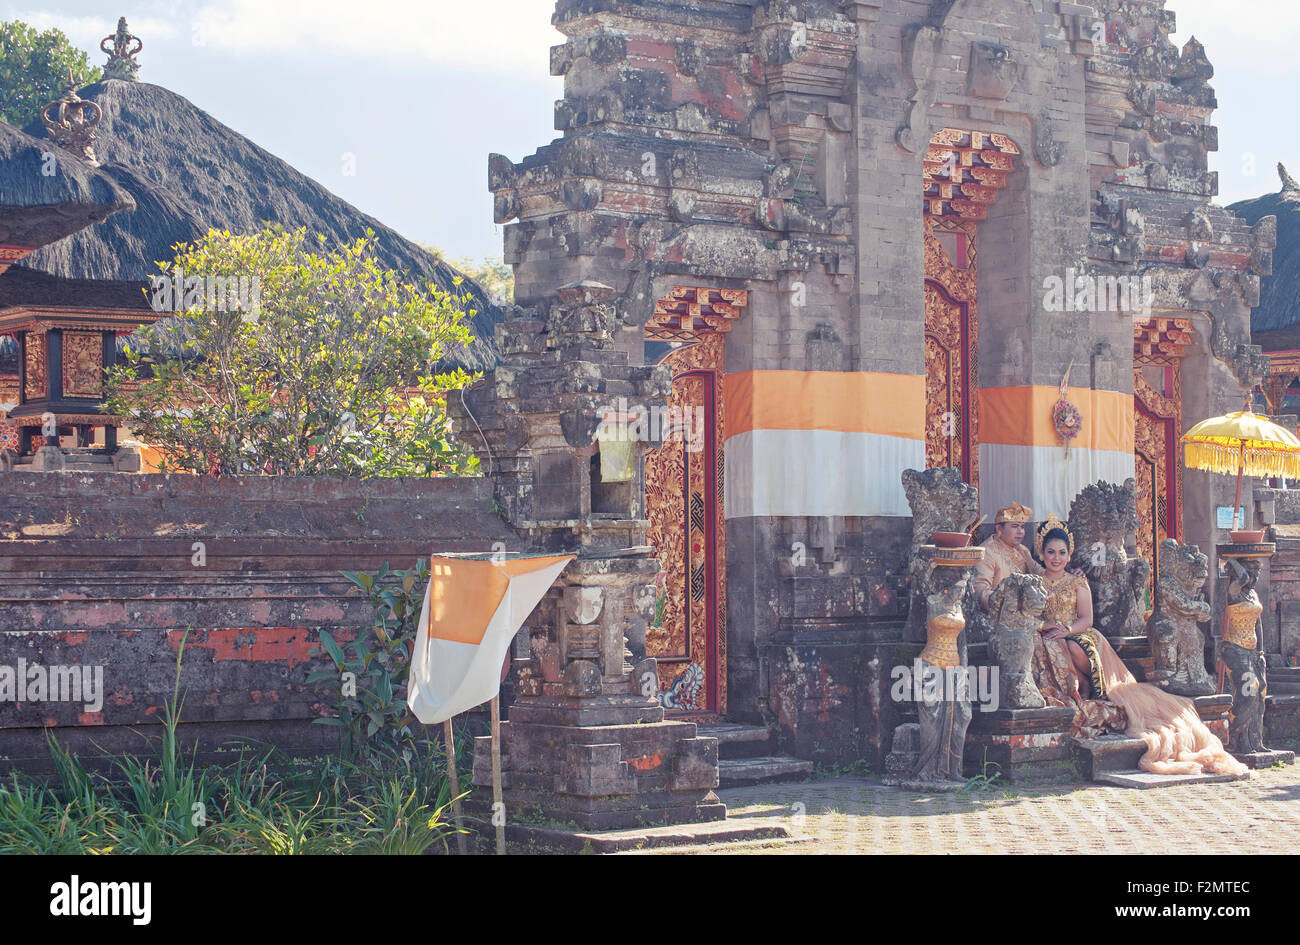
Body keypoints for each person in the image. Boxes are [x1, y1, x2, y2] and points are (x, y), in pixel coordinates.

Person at [1030, 516, 1249, 778]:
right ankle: (1074, 689)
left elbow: (1087, 619)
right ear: (1042, 554)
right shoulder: (1033, 582)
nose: (1056, 558)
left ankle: (1087, 684)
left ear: (1070, 555)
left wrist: (1067, 629)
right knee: (1050, 646)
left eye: (1062, 553)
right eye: (1051, 552)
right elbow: (1028, 614)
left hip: (1080, 634)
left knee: (1072, 647)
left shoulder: (1078, 581)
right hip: (1049, 633)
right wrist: (1045, 626)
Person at [971, 502, 1042, 612]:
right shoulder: (987, 552)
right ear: (999, 529)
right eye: (1015, 526)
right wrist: (1005, 604)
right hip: (997, 617)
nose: (1020, 532)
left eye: (1022, 527)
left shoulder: (1021, 550)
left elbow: (1040, 573)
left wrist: (1067, 576)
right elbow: (979, 589)